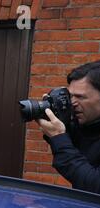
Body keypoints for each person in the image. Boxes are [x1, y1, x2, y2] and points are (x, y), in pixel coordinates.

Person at [36, 61, 100, 194]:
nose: (72, 103)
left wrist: (59, 138)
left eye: (80, 97)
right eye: (70, 96)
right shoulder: (87, 124)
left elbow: (94, 186)